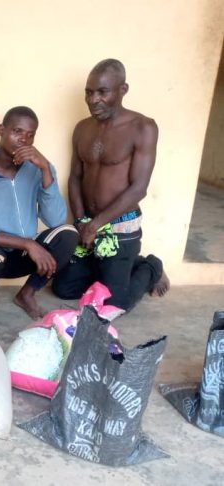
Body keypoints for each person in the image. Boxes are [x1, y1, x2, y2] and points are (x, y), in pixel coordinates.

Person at [52, 59, 170, 311]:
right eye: (89, 92)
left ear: (122, 90)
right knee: (64, 288)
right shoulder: (82, 128)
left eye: (102, 92)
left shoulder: (143, 127)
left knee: (112, 305)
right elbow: (75, 178)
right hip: (88, 224)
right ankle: (117, 269)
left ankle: (151, 267)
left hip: (120, 226)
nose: (93, 100)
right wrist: (82, 221)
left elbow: (139, 188)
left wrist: (95, 225)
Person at [0, 106, 79, 320]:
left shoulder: (38, 168)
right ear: (1, 130)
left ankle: (27, 294)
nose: (23, 140)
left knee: (68, 234)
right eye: (17, 131)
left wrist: (45, 170)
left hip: (27, 256)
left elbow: (56, 219)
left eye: (30, 135)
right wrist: (28, 244)